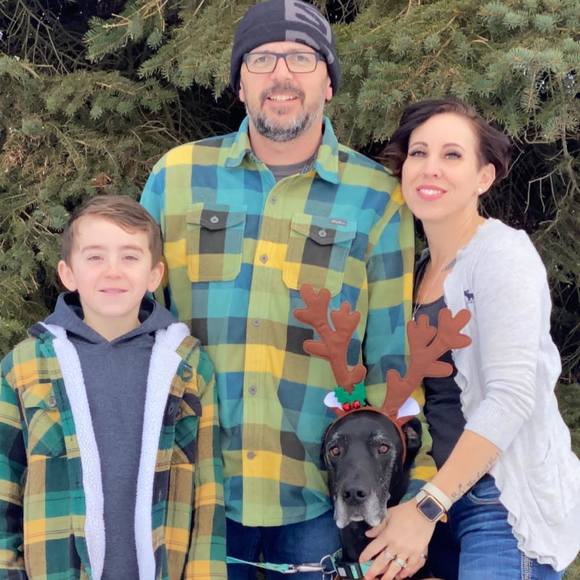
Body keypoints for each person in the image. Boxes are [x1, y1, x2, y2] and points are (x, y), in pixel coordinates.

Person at [140, 0, 420, 576]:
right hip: (195, 483)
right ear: (240, 84)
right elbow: (133, 324)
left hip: (318, 494)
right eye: (262, 59)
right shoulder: (176, 177)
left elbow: (393, 360)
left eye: (301, 58)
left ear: (328, 83)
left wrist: (414, 492)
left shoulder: (379, 199)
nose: (281, 75)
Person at [358, 98, 580, 580]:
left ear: (484, 177)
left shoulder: (501, 255)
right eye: (419, 153)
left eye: (452, 155)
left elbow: (511, 396)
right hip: (434, 503)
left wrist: (428, 506)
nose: (430, 168)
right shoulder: (415, 271)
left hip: (499, 504)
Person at [0, 195, 226, 579]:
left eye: (130, 257)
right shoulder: (24, 365)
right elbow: (4, 484)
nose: (113, 271)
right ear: (68, 273)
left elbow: (207, 493)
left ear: (154, 275)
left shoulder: (187, 366)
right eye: (95, 257)